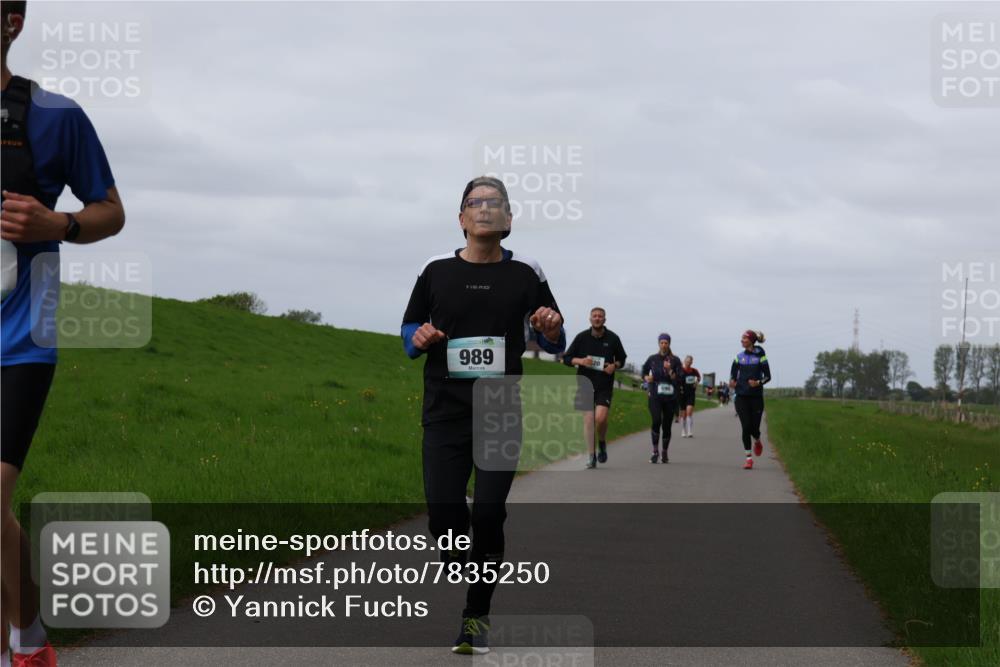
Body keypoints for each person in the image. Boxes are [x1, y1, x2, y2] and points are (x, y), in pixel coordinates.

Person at [2, 3, 125, 665]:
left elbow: (112, 210)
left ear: (11, 22)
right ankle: (28, 639)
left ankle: (28, 642)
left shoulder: (55, 116)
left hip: (21, 337)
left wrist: (60, 226)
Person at [401, 176, 565, 655]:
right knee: (445, 512)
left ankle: (476, 618)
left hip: (499, 411)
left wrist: (550, 325)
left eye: (497, 203)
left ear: (509, 219)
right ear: (461, 218)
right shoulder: (434, 270)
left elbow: (554, 334)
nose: (487, 209)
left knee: (490, 515)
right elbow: (409, 331)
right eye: (477, 202)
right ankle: (456, 551)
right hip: (444, 411)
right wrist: (421, 338)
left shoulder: (526, 272)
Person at [563, 307, 627, 469]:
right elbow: (567, 358)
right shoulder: (581, 338)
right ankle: (591, 456)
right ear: (590, 319)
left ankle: (602, 442)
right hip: (585, 384)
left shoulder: (613, 338)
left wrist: (614, 366)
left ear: (604, 320)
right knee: (589, 420)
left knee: (600, 418)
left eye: (600, 316)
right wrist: (581, 361)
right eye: (594, 316)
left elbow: (622, 359)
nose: (597, 318)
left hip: (604, 385)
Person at [729, 330, 771, 470]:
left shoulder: (761, 356)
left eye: (744, 338)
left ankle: (757, 441)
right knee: (746, 427)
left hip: (756, 397)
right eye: (742, 338)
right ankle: (748, 458)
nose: (741, 340)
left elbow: (768, 376)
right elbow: (733, 371)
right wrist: (732, 380)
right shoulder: (739, 356)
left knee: (754, 428)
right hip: (741, 396)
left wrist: (758, 382)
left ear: (751, 341)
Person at [640, 334, 682, 463]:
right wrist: (647, 378)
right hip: (655, 395)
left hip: (670, 397)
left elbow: (679, 379)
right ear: (659, 343)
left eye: (666, 343)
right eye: (662, 342)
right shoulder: (653, 358)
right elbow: (644, 371)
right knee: (656, 421)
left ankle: (664, 451)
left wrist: (670, 370)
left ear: (669, 344)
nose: (664, 345)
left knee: (667, 426)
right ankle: (654, 451)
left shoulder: (675, 360)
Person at [678, 355, 701, 438]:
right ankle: (683, 430)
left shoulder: (694, 371)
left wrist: (696, 383)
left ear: (691, 362)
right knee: (683, 414)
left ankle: (690, 431)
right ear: (684, 361)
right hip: (682, 394)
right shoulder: (680, 370)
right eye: (686, 361)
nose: (688, 363)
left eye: (689, 361)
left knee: (689, 412)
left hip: (691, 393)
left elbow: (698, 377)